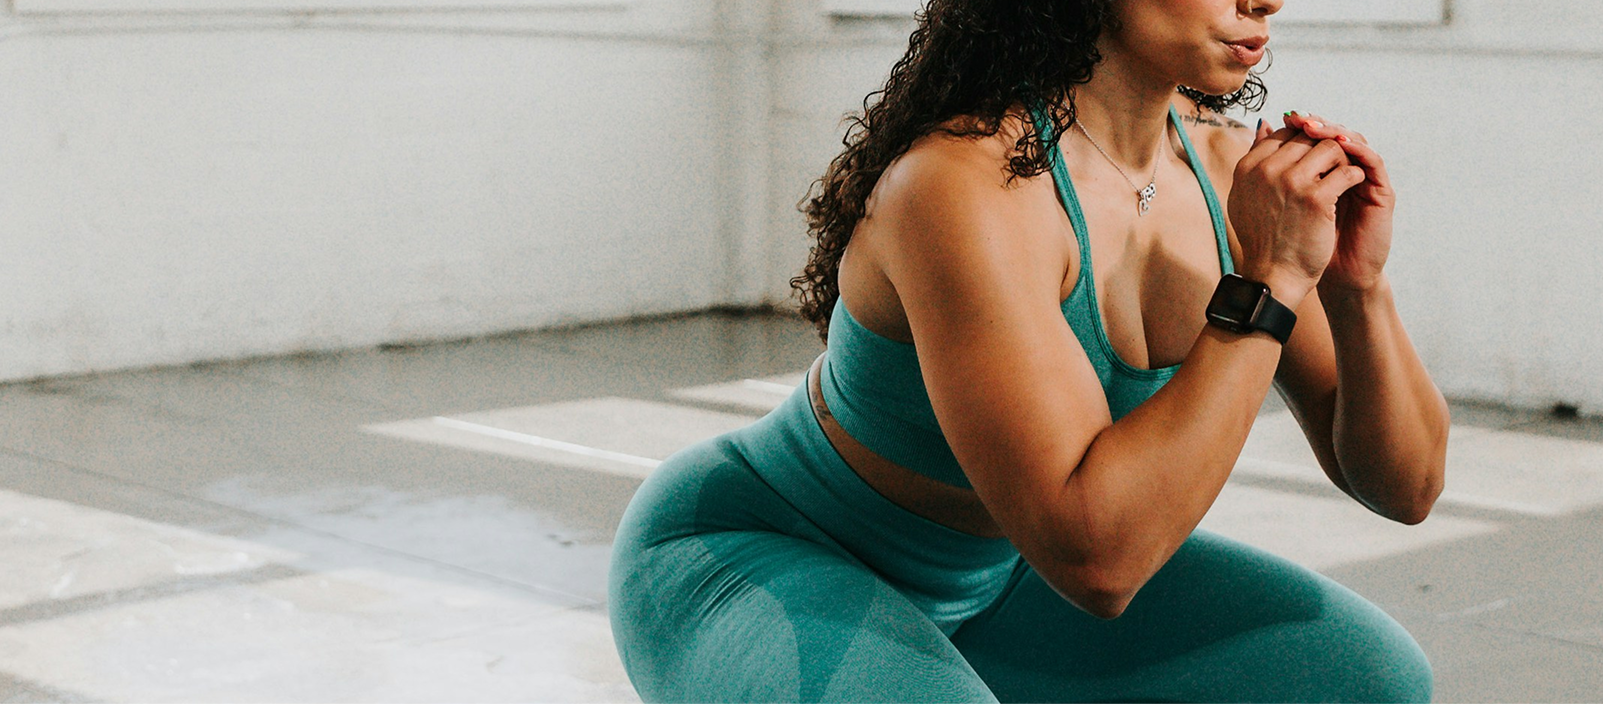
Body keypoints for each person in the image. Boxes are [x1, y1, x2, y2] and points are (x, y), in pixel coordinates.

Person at [608, 0, 1450, 700]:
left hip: (1005, 577)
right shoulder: (962, 185)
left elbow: (1404, 487)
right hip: (768, 550)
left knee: (1369, 681)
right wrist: (1264, 284)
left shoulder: (1233, 172)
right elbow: (1099, 560)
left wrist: (1352, 286)